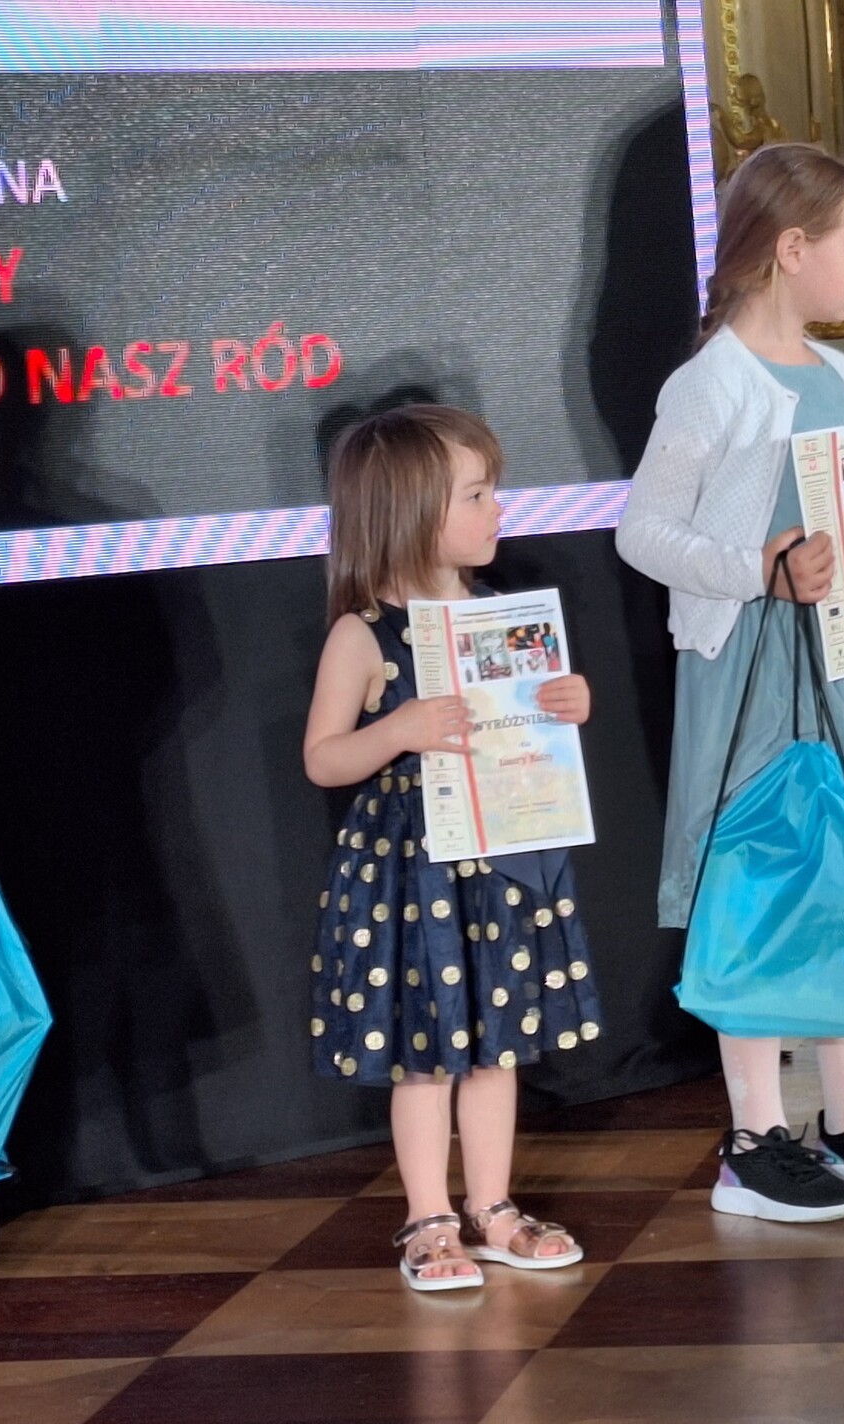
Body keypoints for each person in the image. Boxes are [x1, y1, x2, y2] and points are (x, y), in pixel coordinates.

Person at [618, 143, 844, 1222]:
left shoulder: (840, 374)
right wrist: (757, 569)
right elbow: (643, 531)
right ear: (791, 248)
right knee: (767, 877)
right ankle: (754, 1139)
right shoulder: (711, 383)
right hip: (762, 668)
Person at [303, 405, 599, 1291]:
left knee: (496, 1044)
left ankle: (494, 1208)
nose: (497, 508)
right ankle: (429, 1218)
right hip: (412, 870)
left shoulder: (501, 618)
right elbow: (323, 758)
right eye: (476, 494)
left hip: (501, 858)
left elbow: (530, 730)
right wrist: (396, 729)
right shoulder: (364, 632)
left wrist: (566, 703)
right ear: (410, 511)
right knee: (425, 1053)